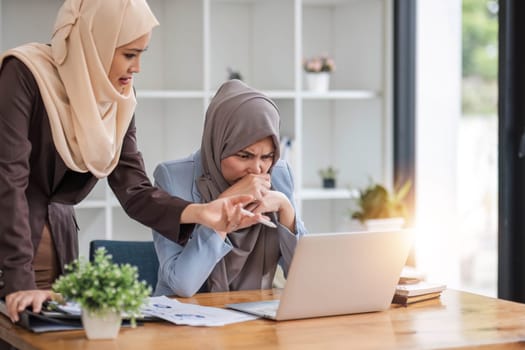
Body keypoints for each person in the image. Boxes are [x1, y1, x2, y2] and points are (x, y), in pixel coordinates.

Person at [0, 0, 261, 324]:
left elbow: (134, 189)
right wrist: (18, 281)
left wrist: (200, 213)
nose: (136, 67)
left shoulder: (117, 101)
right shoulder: (23, 73)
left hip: (59, 240)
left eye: (141, 54)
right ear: (96, 42)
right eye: (128, 54)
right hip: (10, 243)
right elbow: (8, 180)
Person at [152, 79, 307, 297]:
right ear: (218, 143)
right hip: (185, 320)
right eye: (244, 156)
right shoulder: (172, 178)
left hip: (252, 317)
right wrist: (224, 205)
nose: (257, 169)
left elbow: (306, 278)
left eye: (267, 156)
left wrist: (285, 208)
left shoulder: (279, 174)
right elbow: (183, 284)